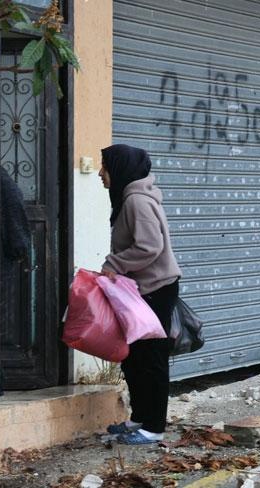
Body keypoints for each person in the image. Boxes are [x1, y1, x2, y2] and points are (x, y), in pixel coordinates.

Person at [98, 144, 182, 445]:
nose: (99, 173)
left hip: (156, 288)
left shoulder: (136, 200)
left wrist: (114, 264)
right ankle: (139, 418)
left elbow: (149, 246)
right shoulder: (129, 197)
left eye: (104, 167)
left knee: (152, 359)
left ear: (119, 168)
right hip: (140, 289)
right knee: (133, 358)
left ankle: (154, 426)